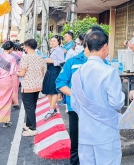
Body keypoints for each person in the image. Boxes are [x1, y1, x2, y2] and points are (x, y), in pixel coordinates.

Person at [71, 31, 125, 165]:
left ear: (87, 47)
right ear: (105, 46)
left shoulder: (77, 73)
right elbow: (117, 103)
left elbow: (75, 104)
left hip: (85, 132)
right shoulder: (109, 71)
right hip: (106, 132)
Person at [56, 26, 106, 165]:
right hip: (76, 110)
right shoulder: (72, 62)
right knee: (76, 146)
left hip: (97, 111)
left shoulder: (104, 63)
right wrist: (76, 94)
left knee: (96, 145)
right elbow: (60, 83)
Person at [17, 39, 46, 136]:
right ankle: (28, 124)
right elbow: (42, 72)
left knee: (28, 107)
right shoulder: (40, 58)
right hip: (37, 85)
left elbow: (22, 72)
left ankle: (33, 128)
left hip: (28, 85)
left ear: (27, 47)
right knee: (32, 105)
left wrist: (16, 72)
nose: (24, 48)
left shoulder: (25, 58)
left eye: (25, 46)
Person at [42, 35, 65, 121]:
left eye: (54, 41)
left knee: (53, 91)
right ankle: (52, 108)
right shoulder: (52, 50)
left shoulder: (59, 50)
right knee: (48, 90)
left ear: (58, 42)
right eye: (51, 41)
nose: (52, 42)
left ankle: (51, 110)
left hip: (55, 71)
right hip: (49, 70)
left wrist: (52, 61)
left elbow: (62, 62)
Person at [10, 43, 23, 109]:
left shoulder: (9, 55)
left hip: (9, 73)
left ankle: (9, 102)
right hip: (17, 72)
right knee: (15, 88)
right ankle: (15, 102)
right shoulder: (21, 54)